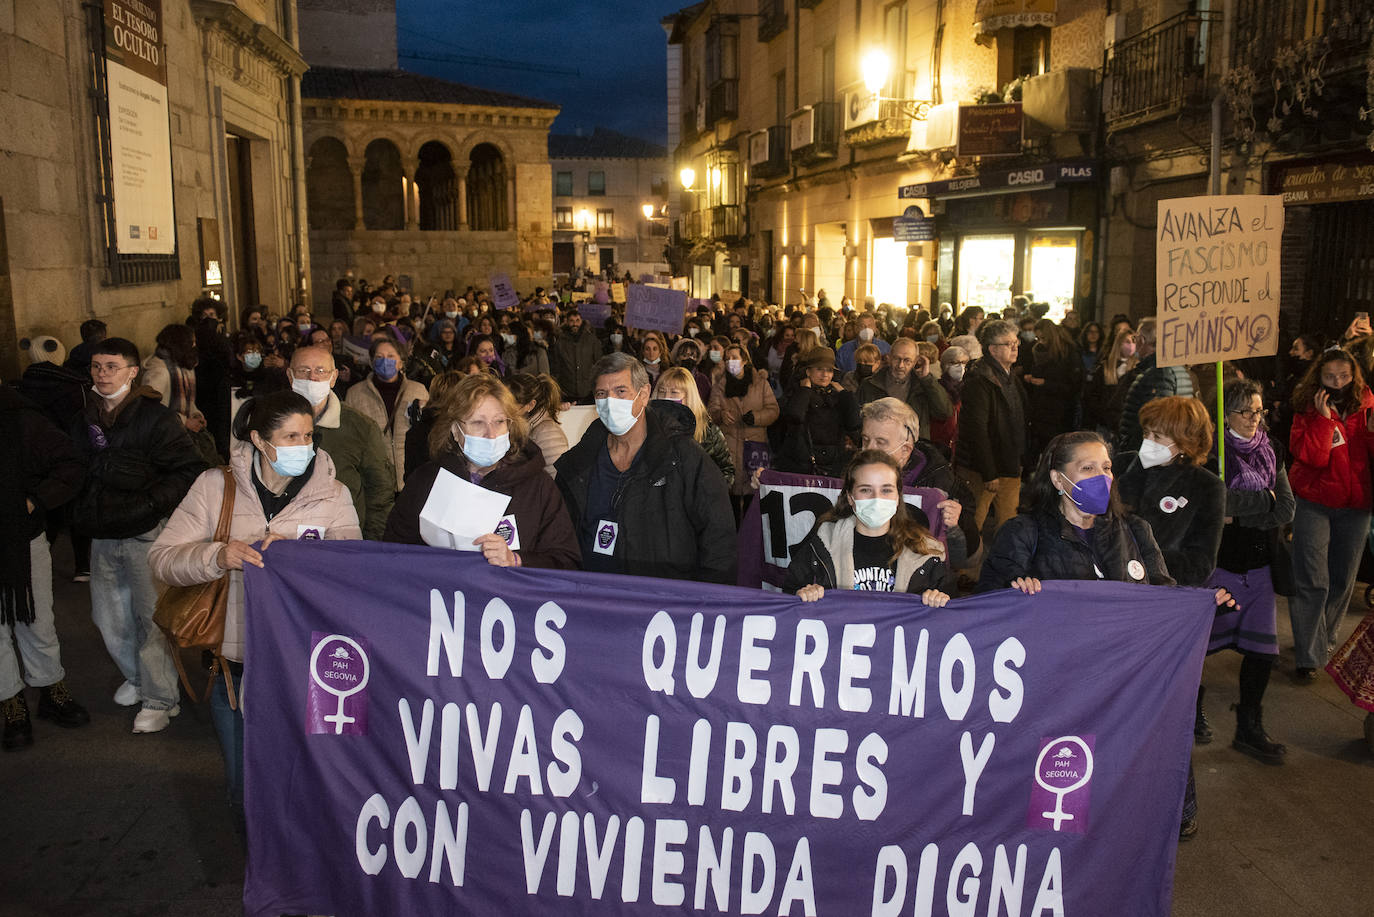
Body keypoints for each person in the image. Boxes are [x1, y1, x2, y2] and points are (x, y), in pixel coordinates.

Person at [149, 390, 361, 826]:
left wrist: (304, 558)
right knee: (246, 788)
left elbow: (354, 570)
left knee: (314, 782)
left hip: (309, 666)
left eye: (308, 435)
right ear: (260, 441)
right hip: (235, 666)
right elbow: (163, 558)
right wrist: (217, 556)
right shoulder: (215, 487)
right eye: (289, 437)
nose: (303, 446)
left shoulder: (333, 495)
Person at [72, 338, 207, 733]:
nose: (102, 374)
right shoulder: (85, 417)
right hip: (102, 534)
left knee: (150, 618)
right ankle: (139, 678)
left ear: (133, 372)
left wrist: (150, 505)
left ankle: (161, 699)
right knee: (108, 617)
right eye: (97, 366)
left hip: (145, 534)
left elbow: (188, 469)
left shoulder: (155, 418)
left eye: (112, 366)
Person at [555, 352, 736, 583]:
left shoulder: (684, 459)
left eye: (620, 391)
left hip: (662, 607)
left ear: (644, 394)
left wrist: (706, 605)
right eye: (601, 394)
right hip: (593, 602)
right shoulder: (579, 463)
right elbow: (559, 539)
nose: (610, 402)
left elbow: (719, 542)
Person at [1115, 396, 1227, 743]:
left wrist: (1145, 565)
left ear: (1186, 442)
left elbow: (1201, 561)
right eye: (1147, 432)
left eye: (1159, 437)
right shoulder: (1121, 467)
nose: (1149, 442)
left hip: (1165, 601)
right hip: (1115, 597)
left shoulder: (1206, 487)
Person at [384, 374, 580, 569]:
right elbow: (392, 553)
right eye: (478, 423)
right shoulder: (426, 482)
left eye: (499, 421)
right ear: (454, 430)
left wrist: (516, 560)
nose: (491, 434)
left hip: (509, 599)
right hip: (445, 597)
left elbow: (567, 561)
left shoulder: (537, 486)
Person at [0, 382, 90, 750]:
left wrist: (35, 501)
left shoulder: (20, 417)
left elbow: (70, 463)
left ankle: (51, 687)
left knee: (35, 618)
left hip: (21, 538)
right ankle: (11, 701)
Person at [1210, 380, 1294, 764]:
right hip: (1219, 565)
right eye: (1243, 411)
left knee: (1262, 653)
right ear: (1225, 414)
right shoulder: (1213, 453)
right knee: (1198, 647)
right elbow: (1215, 502)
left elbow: (1286, 508)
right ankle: (1190, 712)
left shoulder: (1272, 450)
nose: (1252, 419)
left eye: (1257, 411)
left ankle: (1249, 725)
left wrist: (1239, 514)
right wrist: (1264, 502)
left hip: (1260, 565)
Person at [1287, 347, 1374, 681]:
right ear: (1317, 378)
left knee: (1341, 579)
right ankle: (1309, 655)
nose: (1337, 382)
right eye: (1329, 377)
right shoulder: (1306, 409)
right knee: (1313, 579)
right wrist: (1324, 421)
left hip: (1356, 506)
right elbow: (1310, 457)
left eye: (1344, 376)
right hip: (1314, 502)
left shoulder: (1367, 406)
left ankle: (1321, 637)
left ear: (1354, 375)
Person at [784, 450, 953, 604]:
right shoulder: (824, 543)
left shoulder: (926, 551)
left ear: (898, 497)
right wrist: (803, 594)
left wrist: (939, 599)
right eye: (865, 490)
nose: (876, 498)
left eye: (886, 490)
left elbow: (954, 608)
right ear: (850, 497)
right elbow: (788, 592)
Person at [288, 346, 395, 540]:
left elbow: (379, 494)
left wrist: (369, 544)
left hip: (342, 539)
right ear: (290, 375)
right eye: (303, 370)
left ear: (334, 377)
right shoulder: (270, 423)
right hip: (284, 539)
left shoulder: (361, 427)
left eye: (321, 371)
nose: (312, 378)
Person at [859, 397, 978, 568]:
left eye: (880, 442)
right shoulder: (848, 473)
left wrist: (955, 528)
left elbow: (966, 559)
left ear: (905, 450)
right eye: (865, 440)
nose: (868, 449)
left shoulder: (943, 484)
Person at [956, 320, 1027, 534]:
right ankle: (966, 568)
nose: (1015, 347)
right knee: (972, 526)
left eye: (1016, 342)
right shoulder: (979, 380)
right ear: (992, 349)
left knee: (1009, 527)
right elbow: (976, 430)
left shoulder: (1010, 377)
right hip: (983, 470)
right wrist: (989, 472)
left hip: (1009, 465)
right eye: (1008, 344)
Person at [346, 338, 427, 493]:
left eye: (391, 356)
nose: (385, 361)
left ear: (401, 363)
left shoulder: (418, 390)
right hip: (375, 482)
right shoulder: (355, 394)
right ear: (371, 362)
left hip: (412, 479)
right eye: (379, 357)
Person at [708, 343, 780, 519]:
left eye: (734, 357)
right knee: (730, 500)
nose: (730, 361)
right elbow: (711, 411)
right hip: (730, 446)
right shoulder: (720, 386)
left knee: (752, 497)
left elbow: (773, 410)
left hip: (754, 448)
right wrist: (721, 415)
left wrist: (757, 417)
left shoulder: (760, 384)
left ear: (745, 360)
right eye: (727, 358)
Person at [777, 348, 861, 477]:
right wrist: (805, 390)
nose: (825, 374)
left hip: (833, 464)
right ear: (808, 371)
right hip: (801, 465)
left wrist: (845, 394)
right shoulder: (796, 392)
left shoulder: (838, 396)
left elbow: (854, 423)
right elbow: (795, 416)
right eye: (819, 369)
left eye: (829, 370)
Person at [1116, 317, 1194, 453]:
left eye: (1136, 338)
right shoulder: (1178, 368)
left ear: (1142, 340)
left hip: (1149, 453)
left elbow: (1156, 421)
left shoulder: (1159, 373)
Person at [856, 337, 953, 445]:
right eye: (897, 359)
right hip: (878, 449)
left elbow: (944, 412)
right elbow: (857, 421)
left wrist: (926, 379)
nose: (900, 365)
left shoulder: (923, 385)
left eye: (907, 360)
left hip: (915, 449)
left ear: (916, 361)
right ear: (889, 357)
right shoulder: (870, 384)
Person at [653, 367, 735, 488]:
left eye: (674, 392)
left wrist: (707, 493)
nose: (666, 397)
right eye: (662, 391)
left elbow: (727, 471)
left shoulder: (708, 431)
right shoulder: (648, 428)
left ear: (688, 396)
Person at [1023, 319, 1084, 466]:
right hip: (1040, 409)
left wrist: (1046, 383)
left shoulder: (1067, 353)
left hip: (1059, 411)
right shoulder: (1036, 351)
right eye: (1038, 338)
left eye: (1043, 338)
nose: (1040, 342)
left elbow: (1073, 386)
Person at [507, 373, 569, 477]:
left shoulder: (549, 434)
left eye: (510, 404)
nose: (504, 408)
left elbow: (558, 479)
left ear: (530, 405)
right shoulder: (518, 427)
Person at [1081, 327, 1138, 436]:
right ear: (1119, 344)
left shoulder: (1137, 369)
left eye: (1133, 342)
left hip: (1126, 426)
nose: (1131, 345)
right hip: (1105, 425)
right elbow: (1093, 396)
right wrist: (1102, 416)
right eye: (1127, 342)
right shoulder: (1105, 368)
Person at [550, 309, 602, 402]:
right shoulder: (560, 342)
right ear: (567, 322)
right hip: (567, 391)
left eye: (577, 320)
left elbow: (599, 363)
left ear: (581, 321)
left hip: (587, 390)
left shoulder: (592, 340)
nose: (575, 324)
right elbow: (556, 367)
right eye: (571, 321)